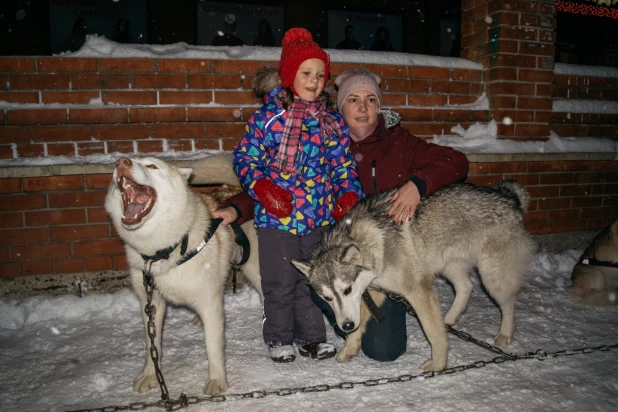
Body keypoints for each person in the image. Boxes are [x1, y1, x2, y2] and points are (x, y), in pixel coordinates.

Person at [217, 68, 469, 362]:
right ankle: (306, 328)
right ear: (340, 107)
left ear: (379, 106)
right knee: (315, 282)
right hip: (339, 257)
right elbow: (278, 185)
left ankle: (355, 318)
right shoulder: (321, 136)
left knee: (382, 350)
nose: (363, 108)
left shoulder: (399, 143)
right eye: (353, 100)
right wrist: (235, 208)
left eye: (371, 100)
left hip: (389, 259)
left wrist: (417, 184)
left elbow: (457, 162)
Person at [232, 28, 364, 363]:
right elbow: (246, 158)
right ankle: (278, 338)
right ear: (290, 75)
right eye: (306, 73)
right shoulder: (268, 118)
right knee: (279, 283)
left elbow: (343, 164)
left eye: (320, 75)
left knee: (313, 281)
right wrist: (263, 187)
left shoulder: (331, 123)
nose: (314, 80)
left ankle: (312, 337)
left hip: (316, 220)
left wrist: (348, 192)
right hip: (276, 219)